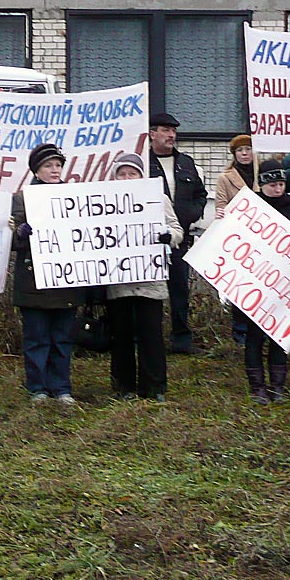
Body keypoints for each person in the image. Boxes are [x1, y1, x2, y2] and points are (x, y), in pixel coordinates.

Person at [11, 143, 84, 404]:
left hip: (66, 279)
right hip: (34, 281)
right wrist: (20, 234)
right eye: (48, 166)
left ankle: (61, 387)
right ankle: (37, 388)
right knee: (37, 338)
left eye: (58, 165)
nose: (54, 170)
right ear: (36, 170)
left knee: (62, 338)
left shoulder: (74, 196)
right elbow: (10, 241)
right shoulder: (22, 198)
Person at [106, 153, 181, 401]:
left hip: (150, 280)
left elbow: (177, 229)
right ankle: (124, 386)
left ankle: (155, 387)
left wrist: (168, 236)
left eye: (132, 173)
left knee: (151, 334)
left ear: (141, 175)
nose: (127, 178)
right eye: (122, 173)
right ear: (115, 177)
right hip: (118, 281)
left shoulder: (157, 199)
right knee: (122, 335)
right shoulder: (105, 201)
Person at [243, 161, 290, 404]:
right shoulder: (250, 208)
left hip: (284, 283)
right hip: (255, 283)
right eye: (272, 184)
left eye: (281, 184)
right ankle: (257, 386)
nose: (277, 189)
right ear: (262, 185)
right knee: (254, 336)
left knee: (279, 335)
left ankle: (277, 386)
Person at [148, 113, 207, 354]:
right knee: (147, 293)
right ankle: (148, 338)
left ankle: (181, 339)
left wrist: (192, 213)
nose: (171, 135)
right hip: (148, 240)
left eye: (173, 130)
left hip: (179, 238)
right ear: (152, 134)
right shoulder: (142, 163)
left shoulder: (186, 162)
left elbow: (200, 194)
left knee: (179, 290)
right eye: (165, 130)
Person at [214, 134, 256, 345]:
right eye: (240, 150)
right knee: (241, 285)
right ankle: (240, 332)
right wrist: (221, 214)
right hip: (239, 237)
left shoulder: (262, 173)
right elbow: (221, 203)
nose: (245, 153)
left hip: (262, 238)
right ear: (234, 154)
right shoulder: (226, 177)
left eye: (248, 149)